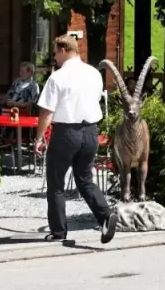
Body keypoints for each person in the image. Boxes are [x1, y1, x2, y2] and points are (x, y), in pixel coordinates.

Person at [34, 34, 117, 244]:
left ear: (63, 50)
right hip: (90, 131)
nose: (54, 57)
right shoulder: (93, 74)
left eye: (55, 52)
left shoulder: (58, 77)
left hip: (65, 132)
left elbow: (46, 112)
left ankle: (58, 232)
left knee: (56, 184)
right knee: (85, 179)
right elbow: (95, 99)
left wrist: (39, 138)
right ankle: (106, 215)